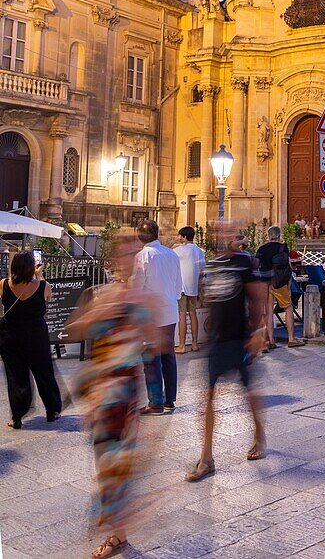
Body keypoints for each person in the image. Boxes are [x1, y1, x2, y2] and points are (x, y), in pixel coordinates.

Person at [66, 236, 160, 559]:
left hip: (123, 392)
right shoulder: (104, 295)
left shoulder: (139, 301)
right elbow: (77, 331)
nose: (128, 259)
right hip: (103, 390)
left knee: (114, 464)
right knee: (105, 461)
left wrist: (134, 328)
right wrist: (94, 312)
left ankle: (117, 530)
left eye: (132, 254)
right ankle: (117, 524)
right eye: (123, 253)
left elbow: (155, 344)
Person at [185, 225, 267, 482]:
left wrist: (256, 333)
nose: (222, 236)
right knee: (208, 396)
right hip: (218, 340)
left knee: (249, 392)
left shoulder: (244, 264)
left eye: (227, 232)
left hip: (239, 337)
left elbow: (256, 299)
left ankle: (259, 434)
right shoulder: (212, 264)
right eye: (219, 233)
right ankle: (206, 457)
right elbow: (209, 298)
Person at [0, 251, 62, 430]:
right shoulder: (43, 286)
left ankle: (17, 416)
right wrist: (39, 274)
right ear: (31, 267)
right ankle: (52, 411)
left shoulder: (3, 284)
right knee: (44, 372)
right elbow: (47, 298)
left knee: (16, 375)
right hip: (35, 335)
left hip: (10, 336)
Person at [132, 220, 183, 415]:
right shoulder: (172, 254)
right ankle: (170, 399)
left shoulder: (142, 257)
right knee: (168, 356)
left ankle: (155, 402)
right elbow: (179, 285)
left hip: (150, 314)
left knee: (151, 359)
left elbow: (137, 287)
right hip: (169, 309)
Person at [255, 226, 305, 350]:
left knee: (268, 311)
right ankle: (291, 338)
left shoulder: (261, 249)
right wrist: (289, 283)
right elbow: (287, 266)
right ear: (279, 236)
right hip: (279, 283)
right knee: (288, 308)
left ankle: (271, 340)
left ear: (268, 236)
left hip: (265, 282)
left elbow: (256, 266)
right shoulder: (283, 248)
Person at [174, 226, 206, 354]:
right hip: (193, 287)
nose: (179, 238)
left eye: (180, 236)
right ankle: (194, 344)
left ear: (184, 237)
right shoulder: (199, 251)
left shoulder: (179, 250)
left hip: (182, 287)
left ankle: (181, 345)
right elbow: (203, 268)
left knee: (182, 315)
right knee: (193, 314)